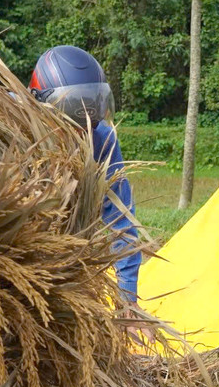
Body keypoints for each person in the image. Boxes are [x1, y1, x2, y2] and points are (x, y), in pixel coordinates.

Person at [30, 45, 141, 306]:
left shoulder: (100, 138)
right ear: (41, 104)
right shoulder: (5, 124)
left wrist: (128, 300)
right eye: (72, 115)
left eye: (91, 111)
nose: (84, 130)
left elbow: (121, 219)